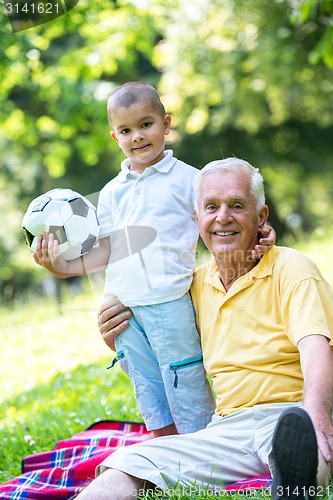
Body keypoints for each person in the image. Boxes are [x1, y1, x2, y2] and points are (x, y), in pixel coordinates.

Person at [76, 157, 333, 500]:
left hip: (292, 414)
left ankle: (293, 486)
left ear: (261, 217)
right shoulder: (188, 286)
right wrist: (118, 338)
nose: (222, 217)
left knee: (303, 450)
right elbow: (165, 349)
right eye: (211, 206)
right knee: (128, 463)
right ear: (196, 218)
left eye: (237, 206)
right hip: (225, 429)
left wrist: (316, 416)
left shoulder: (291, 268)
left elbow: (316, 347)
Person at [32, 82, 275, 438]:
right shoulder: (113, 191)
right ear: (114, 138)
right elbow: (106, 250)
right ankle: (164, 446)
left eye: (146, 124)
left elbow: (217, 227)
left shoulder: (190, 180)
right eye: (126, 130)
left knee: (184, 376)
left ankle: (201, 445)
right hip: (123, 307)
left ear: (166, 124)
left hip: (169, 301)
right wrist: (59, 266)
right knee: (146, 383)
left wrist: (258, 236)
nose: (138, 137)